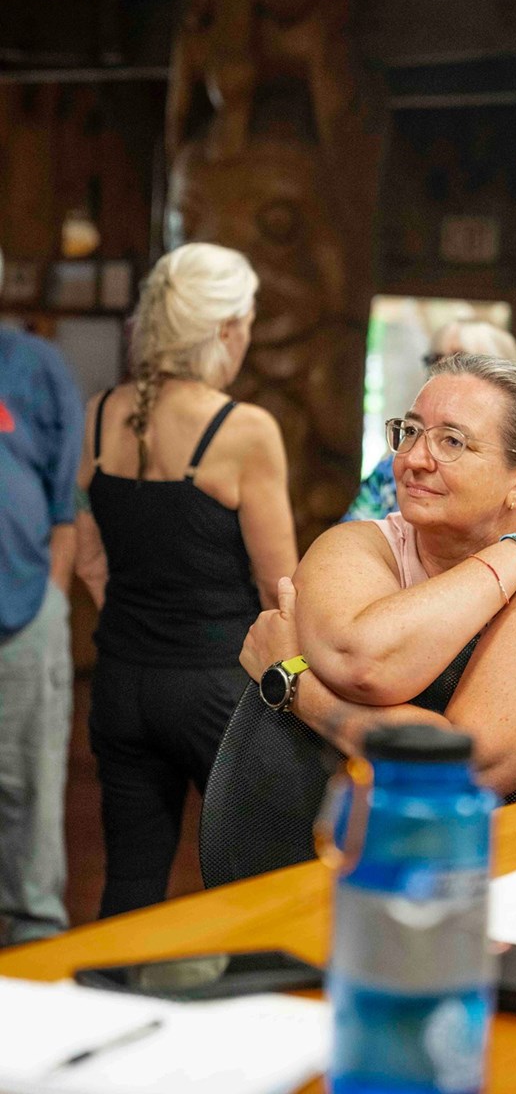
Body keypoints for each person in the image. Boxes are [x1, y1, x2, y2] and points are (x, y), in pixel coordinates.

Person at [239, 353, 516, 871]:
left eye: (452, 441)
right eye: (411, 431)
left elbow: (466, 765)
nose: (414, 459)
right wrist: (515, 554)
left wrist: (294, 682)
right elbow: (363, 657)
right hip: (392, 852)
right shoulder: (359, 545)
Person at [75, 242, 298, 917]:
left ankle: (111, 1010)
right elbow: (278, 587)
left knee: (132, 884)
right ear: (227, 328)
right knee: (263, 879)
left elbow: (89, 557)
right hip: (217, 690)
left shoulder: (100, 413)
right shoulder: (244, 430)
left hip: (121, 682)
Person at [0, 316, 84, 945]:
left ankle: (31, 942)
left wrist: (52, 600)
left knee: (27, 792)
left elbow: (64, 503)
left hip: (23, 612)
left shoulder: (34, 365)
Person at [342, 317, 516, 521]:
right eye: (434, 359)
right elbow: (348, 542)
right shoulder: (394, 467)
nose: (443, 369)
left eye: (462, 359)